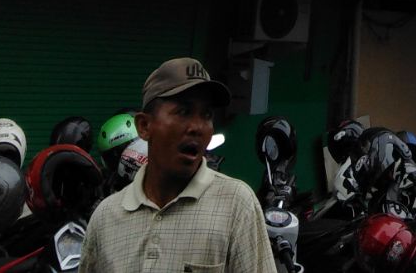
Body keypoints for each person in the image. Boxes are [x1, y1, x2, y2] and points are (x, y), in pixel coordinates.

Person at [80, 58, 276, 273]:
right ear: (144, 126)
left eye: (207, 115)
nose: (197, 127)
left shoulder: (236, 204)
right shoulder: (106, 217)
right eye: (183, 112)